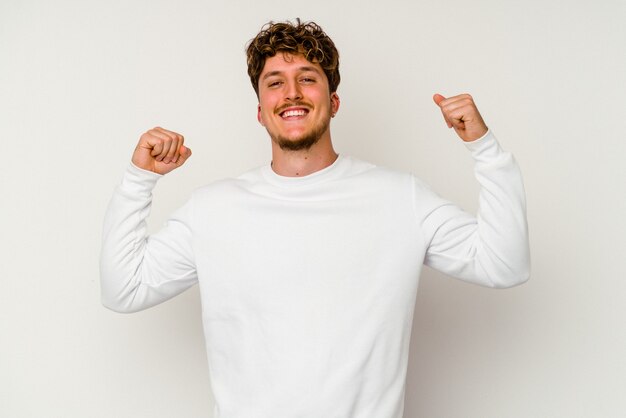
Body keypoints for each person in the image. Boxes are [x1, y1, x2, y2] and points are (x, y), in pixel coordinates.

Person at [100, 19, 530, 418]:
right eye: (275, 83)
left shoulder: (401, 198)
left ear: (334, 100)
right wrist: (139, 180)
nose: (292, 93)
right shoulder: (213, 208)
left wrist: (486, 150)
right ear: (259, 109)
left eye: (307, 78)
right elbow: (124, 289)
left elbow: (503, 264)